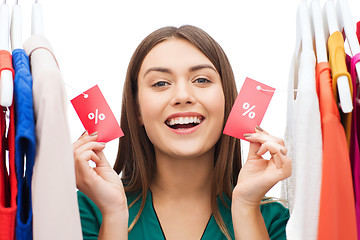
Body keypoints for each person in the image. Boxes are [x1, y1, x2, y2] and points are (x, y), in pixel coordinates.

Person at [73, 25, 292, 240]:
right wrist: (113, 213)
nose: (183, 95)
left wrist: (246, 207)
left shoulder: (272, 219)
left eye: (202, 80)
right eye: (160, 83)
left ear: (227, 102)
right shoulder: (87, 211)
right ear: (137, 110)